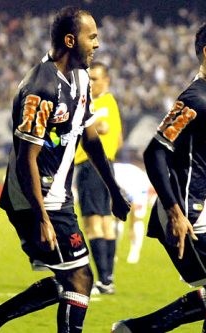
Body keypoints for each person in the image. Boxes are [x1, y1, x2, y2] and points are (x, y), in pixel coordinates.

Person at [0, 6, 130, 333]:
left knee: (69, 278)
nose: (97, 44)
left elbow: (90, 137)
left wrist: (113, 188)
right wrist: (41, 216)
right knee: (80, 279)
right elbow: (27, 157)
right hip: (34, 197)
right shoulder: (40, 87)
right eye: (91, 37)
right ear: (70, 40)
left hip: (58, 195)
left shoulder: (82, 78)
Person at [112, 18, 206, 333]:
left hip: (200, 213)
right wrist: (176, 212)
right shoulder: (198, 97)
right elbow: (155, 151)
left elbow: (196, 152)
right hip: (192, 216)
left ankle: (134, 330)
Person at [74, 61, 123, 294]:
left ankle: (103, 280)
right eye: (88, 78)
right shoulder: (109, 103)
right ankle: (108, 279)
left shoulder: (101, 103)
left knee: (93, 223)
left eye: (95, 79)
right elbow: (119, 138)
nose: (90, 83)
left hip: (90, 166)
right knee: (105, 222)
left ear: (106, 80)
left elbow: (101, 126)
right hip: (106, 166)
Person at [112, 160, 151, 264]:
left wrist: (131, 227)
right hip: (119, 185)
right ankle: (112, 252)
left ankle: (135, 252)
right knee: (116, 219)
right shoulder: (104, 176)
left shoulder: (135, 182)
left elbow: (134, 205)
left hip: (137, 186)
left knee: (137, 219)